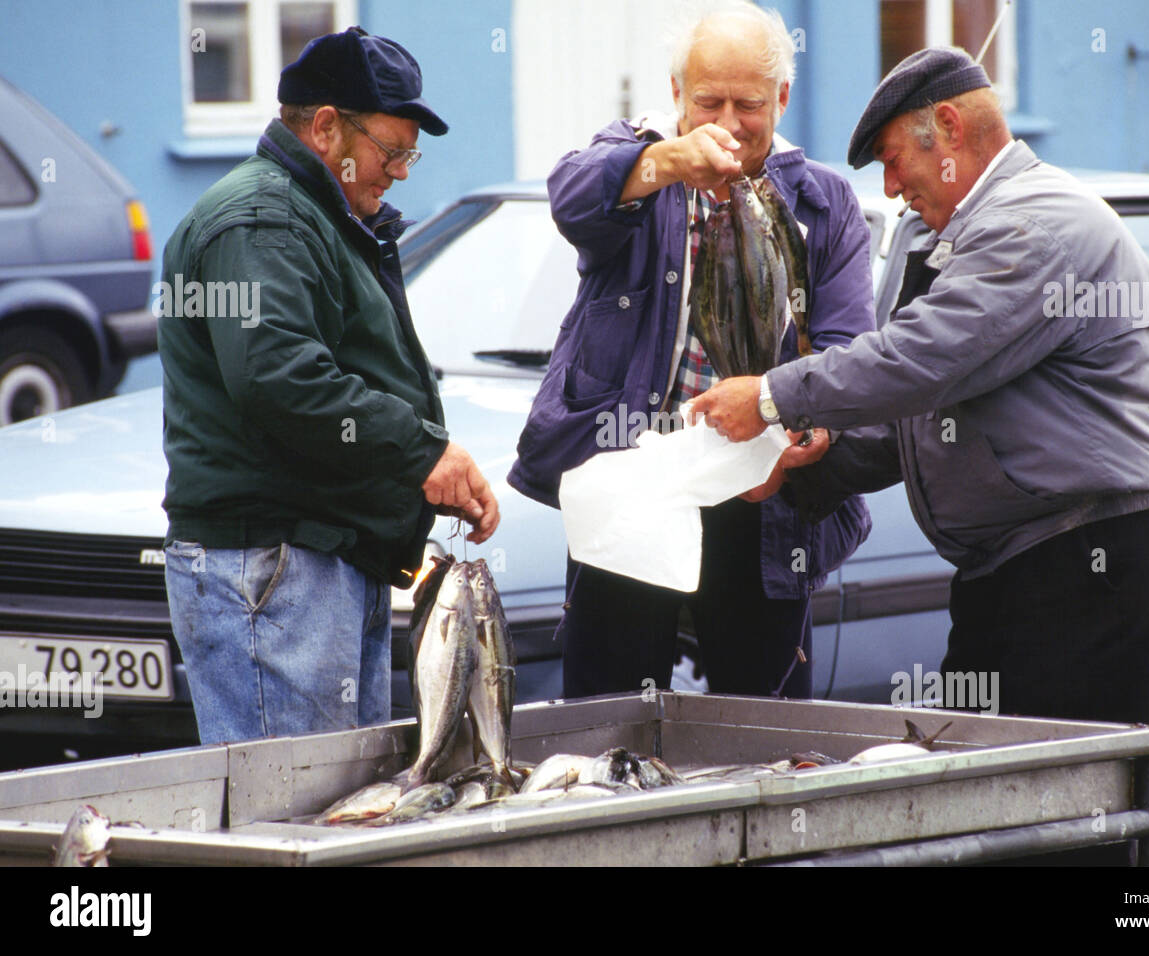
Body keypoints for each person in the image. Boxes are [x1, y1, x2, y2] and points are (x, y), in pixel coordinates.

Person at [691, 46, 1149, 726]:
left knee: (1062, 793)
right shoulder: (964, 234)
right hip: (1019, 560)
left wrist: (771, 397)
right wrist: (806, 467)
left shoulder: (1033, 225)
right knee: (991, 784)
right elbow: (923, 417)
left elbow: (920, 360)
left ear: (950, 130)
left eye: (895, 160)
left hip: (1084, 560)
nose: (891, 187)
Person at [507, 1, 873, 700]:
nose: (729, 124)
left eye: (749, 104)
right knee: (608, 722)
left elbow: (845, 352)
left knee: (761, 734)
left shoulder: (825, 201)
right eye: (709, 102)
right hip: (630, 486)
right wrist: (669, 161)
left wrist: (805, 438)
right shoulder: (633, 160)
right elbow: (571, 198)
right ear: (677, 94)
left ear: (782, 100)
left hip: (763, 502)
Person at [158, 27, 498, 745]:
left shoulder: (316, 214)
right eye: (392, 150)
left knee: (340, 819)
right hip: (277, 569)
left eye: (412, 153)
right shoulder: (264, 219)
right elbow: (279, 377)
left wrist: (420, 458)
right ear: (324, 128)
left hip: (315, 563)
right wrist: (421, 452)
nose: (402, 171)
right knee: (292, 828)